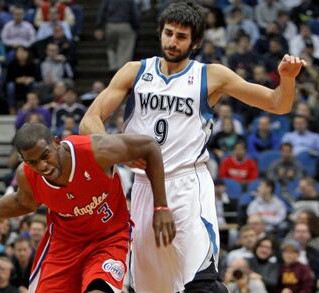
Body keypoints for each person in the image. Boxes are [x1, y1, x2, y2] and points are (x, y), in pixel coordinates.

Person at [78, 1, 306, 292]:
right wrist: (117, 149)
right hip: (144, 188)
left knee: (202, 283)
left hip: (187, 186)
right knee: (151, 287)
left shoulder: (211, 76)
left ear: (195, 42)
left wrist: (286, 79)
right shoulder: (134, 71)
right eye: (168, 33)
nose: (172, 42)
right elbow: (89, 121)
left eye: (181, 37)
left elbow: (278, 103)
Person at [0, 122, 175, 293]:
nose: (42, 166)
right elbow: (22, 203)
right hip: (64, 247)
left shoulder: (95, 151)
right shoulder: (26, 175)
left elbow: (149, 146)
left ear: (56, 142)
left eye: (45, 155)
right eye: (32, 162)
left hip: (109, 239)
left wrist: (161, 207)